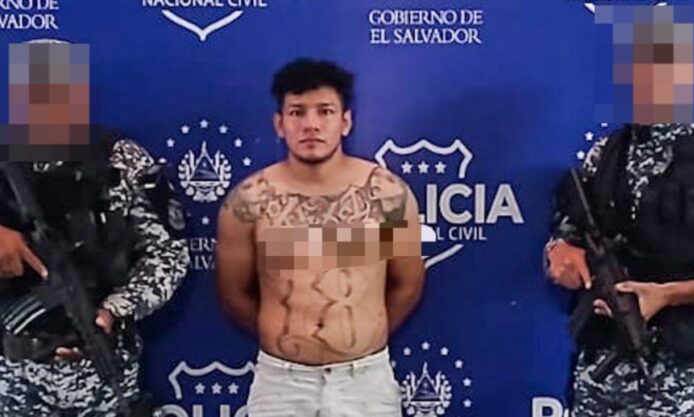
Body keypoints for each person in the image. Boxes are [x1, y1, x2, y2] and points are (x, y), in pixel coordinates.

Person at [216, 58, 424, 417]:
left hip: (365, 383)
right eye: (297, 112)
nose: (311, 124)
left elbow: (407, 284)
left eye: (325, 111)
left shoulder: (387, 195)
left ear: (345, 122)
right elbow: (233, 295)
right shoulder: (248, 202)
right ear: (279, 124)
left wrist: (362, 340)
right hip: (281, 384)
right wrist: (284, 341)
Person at [0, 40, 190, 416]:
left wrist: (116, 308)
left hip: (102, 373)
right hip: (12, 379)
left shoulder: (119, 159)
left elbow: (169, 253)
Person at [547, 7, 694, 416]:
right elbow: (568, 231)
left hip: (683, 379)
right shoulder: (606, 153)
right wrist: (559, 254)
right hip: (602, 374)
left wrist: (666, 295)